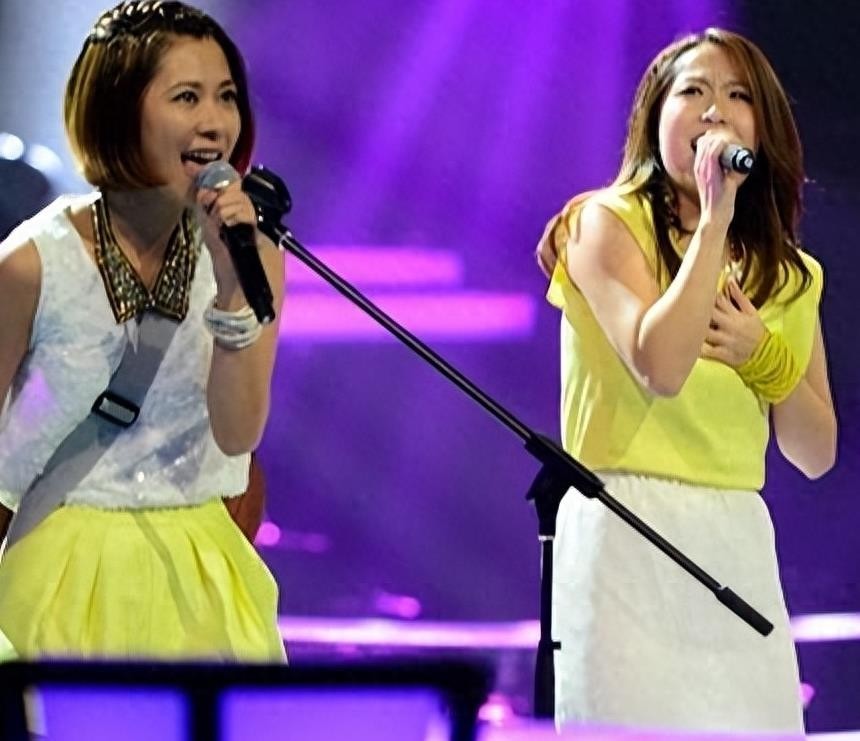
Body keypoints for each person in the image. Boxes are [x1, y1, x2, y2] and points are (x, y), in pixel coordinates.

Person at [536, 28, 837, 732]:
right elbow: (661, 366)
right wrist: (713, 222)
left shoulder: (790, 274)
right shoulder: (603, 223)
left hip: (736, 539)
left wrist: (762, 355)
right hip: (623, 530)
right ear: (655, 115)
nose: (714, 111)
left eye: (737, 95)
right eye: (692, 91)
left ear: (762, 127)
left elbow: (816, 452)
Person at [0, 1, 286, 663]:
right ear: (118, 109)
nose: (214, 121)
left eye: (226, 96)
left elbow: (239, 434)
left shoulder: (253, 253)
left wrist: (233, 285)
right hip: (58, 574)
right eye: (186, 97)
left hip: (203, 582)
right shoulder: (31, 264)